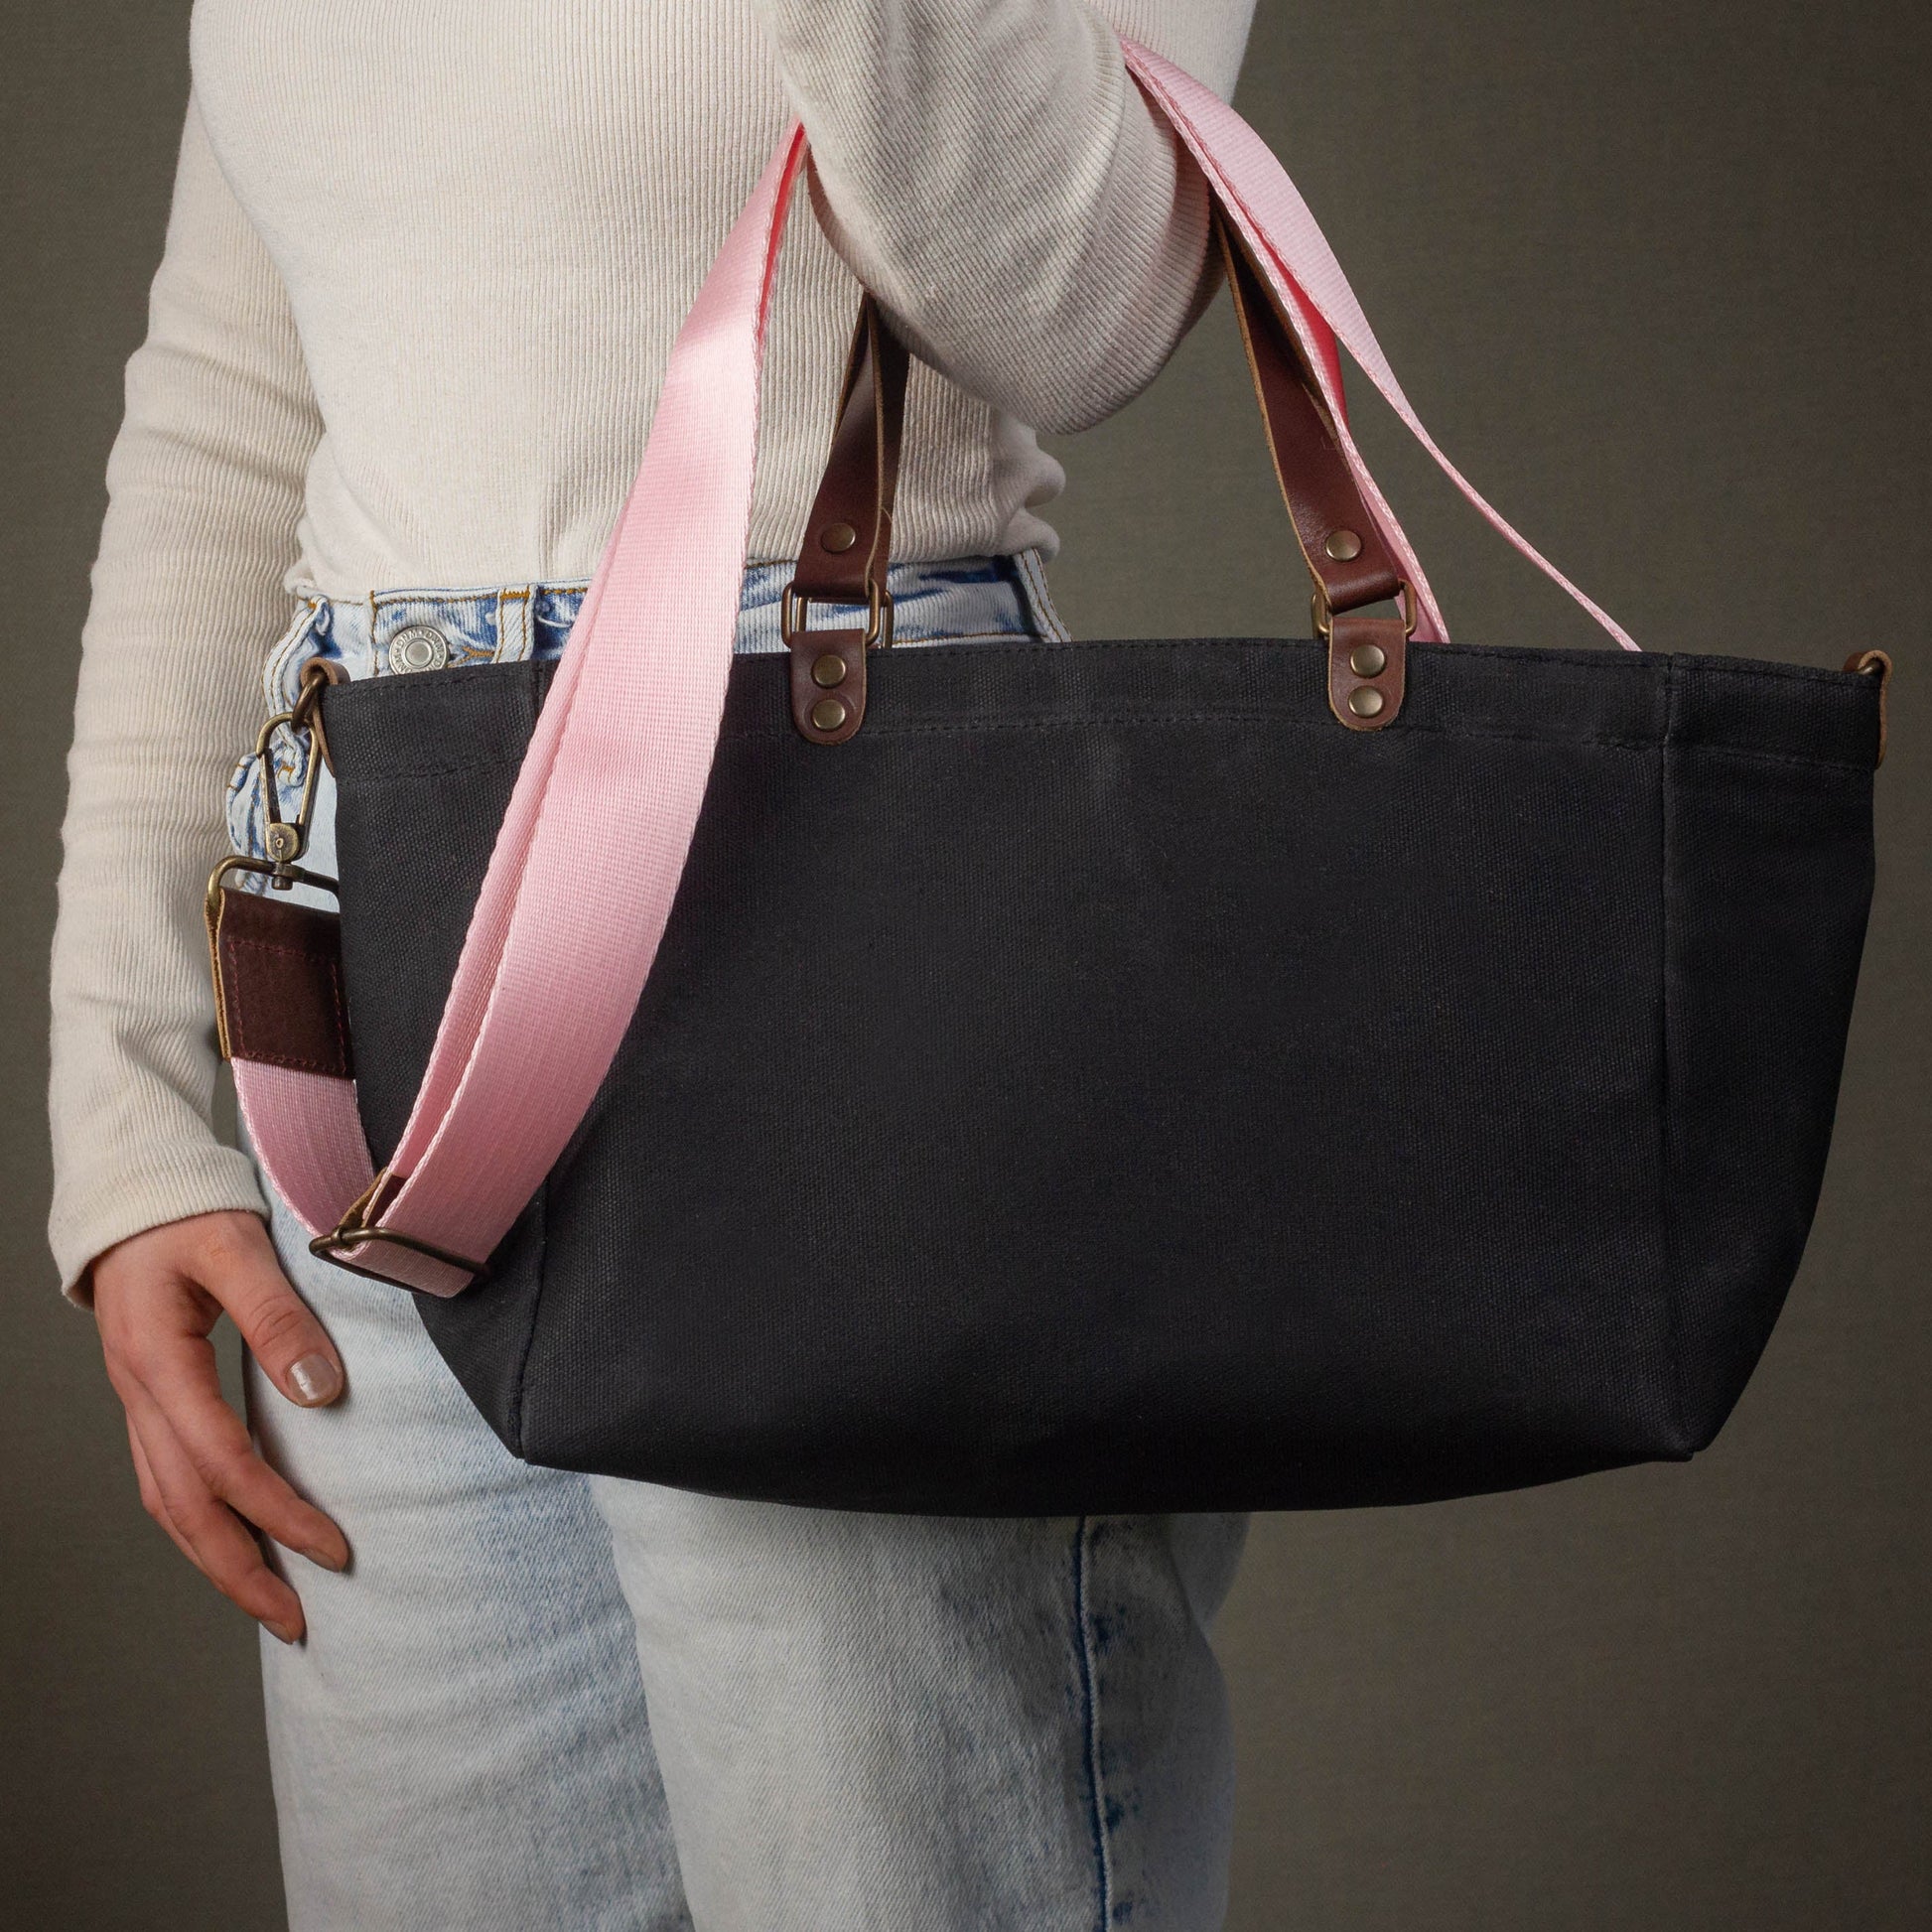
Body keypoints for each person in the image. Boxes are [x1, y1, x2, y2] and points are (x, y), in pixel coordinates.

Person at [51, 2, 1259, 1924]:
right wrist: (119, 1114)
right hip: (385, 1006)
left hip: (844, 896)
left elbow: (1082, 295)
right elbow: (229, 410)